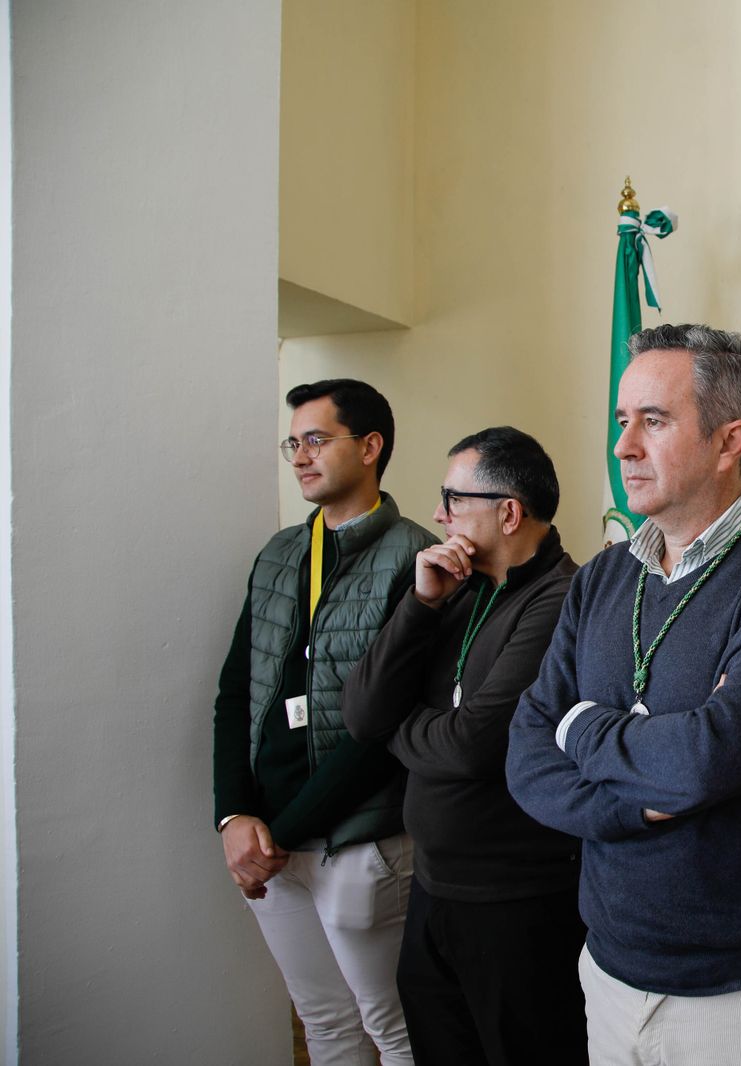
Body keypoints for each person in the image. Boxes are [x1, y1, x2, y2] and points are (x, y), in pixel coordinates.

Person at [506, 323, 741, 1066]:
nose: (623, 446)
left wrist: (581, 726)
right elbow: (527, 753)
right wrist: (639, 798)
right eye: (621, 421)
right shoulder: (601, 578)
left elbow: (703, 759)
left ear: (730, 441)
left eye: (653, 421)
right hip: (610, 968)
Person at [343, 427, 584, 1065]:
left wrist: (397, 727)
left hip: (517, 901)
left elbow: (473, 746)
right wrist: (421, 604)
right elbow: (361, 712)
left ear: (509, 512)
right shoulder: (454, 587)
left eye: (453, 499)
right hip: (434, 888)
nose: (439, 514)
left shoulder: (562, 599)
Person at [212, 379, 434, 1065]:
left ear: (370, 447)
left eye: (316, 439)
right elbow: (235, 693)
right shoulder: (280, 554)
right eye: (293, 443)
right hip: (268, 843)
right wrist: (233, 817)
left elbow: (387, 728)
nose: (301, 456)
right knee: (324, 1025)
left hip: (360, 841)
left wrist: (277, 834)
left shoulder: (415, 557)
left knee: (397, 1029)